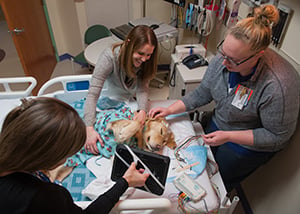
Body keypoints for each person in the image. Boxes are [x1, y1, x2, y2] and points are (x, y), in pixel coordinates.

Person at [149, 4, 300, 192]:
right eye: (223, 53)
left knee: (216, 185)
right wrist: (170, 109)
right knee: (199, 167)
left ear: (258, 55)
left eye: (233, 60)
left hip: (246, 147)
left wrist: (229, 136)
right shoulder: (225, 58)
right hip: (220, 125)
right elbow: (203, 92)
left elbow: (277, 136)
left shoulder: (279, 85)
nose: (224, 62)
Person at [0, 97, 149, 214]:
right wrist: (124, 182)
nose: (67, 159)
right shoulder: (46, 196)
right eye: (67, 153)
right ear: (47, 156)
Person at [84, 25, 158, 154]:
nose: (144, 59)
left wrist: (142, 110)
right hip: (111, 98)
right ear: (129, 44)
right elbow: (93, 94)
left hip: (129, 101)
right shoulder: (109, 57)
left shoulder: (146, 62)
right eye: (140, 53)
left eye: (148, 55)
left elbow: (142, 89)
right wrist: (89, 127)